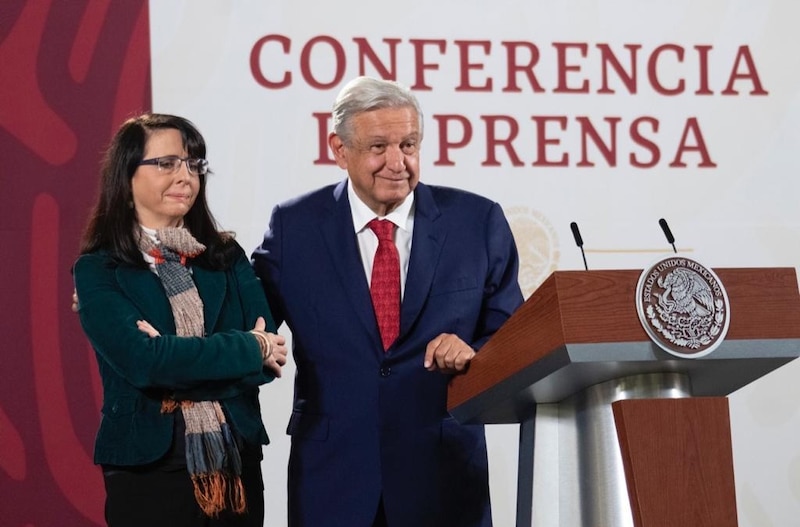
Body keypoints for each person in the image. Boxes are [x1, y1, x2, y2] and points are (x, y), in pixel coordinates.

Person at [252, 76, 524, 527]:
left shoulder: (477, 222)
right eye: (379, 147)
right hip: (332, 479)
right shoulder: (294, 227)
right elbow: (246, 322)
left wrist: (475, 352)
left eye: (409, 144)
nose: (397, 162)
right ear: (339, 150)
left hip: (443, 477)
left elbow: (514, 336)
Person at [72, 113, 288, 527]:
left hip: (235, 460)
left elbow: (271, 355)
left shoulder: (225, 256)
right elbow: (145, 362)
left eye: (194, 164)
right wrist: (246, 346)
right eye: (167, 163)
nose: (185, 175)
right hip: (148, 465)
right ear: (127, 175)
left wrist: (181, 355)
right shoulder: (98, 269)